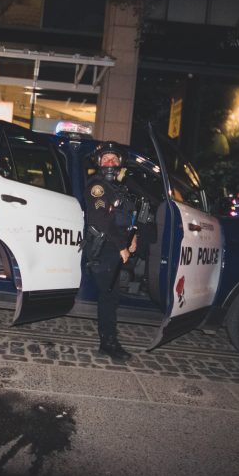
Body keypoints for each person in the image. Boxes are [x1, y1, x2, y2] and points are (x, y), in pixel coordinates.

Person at [82, 142, 138, 362]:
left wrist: (133, 239)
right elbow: (101, 221)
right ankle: (108, 344)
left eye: (114, 159)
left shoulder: (119, 189)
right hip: (105, 248)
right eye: (106, 159)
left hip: (115, 248)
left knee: (112, 297)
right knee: (108, 298)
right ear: (99, 163)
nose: (110, 163)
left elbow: (126, 219)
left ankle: (109, 340)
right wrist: (122, 246)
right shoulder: (98, 187)